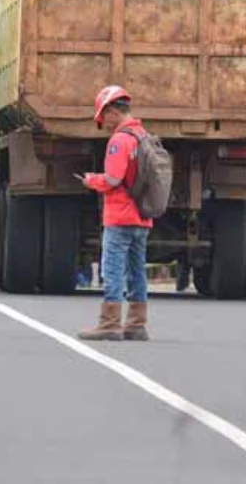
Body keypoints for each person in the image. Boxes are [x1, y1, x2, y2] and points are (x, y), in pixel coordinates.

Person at [77, 85, 153, 342]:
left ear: (111, 112)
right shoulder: (143, 136)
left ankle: (109, 323)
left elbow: (112, 179)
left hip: (120, 216)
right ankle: (137, 324)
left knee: (113, 269)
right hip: (143, 216)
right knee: (137, 271)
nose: (104, 124)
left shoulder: (119, 141)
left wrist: (92, 181)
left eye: (103, 118)